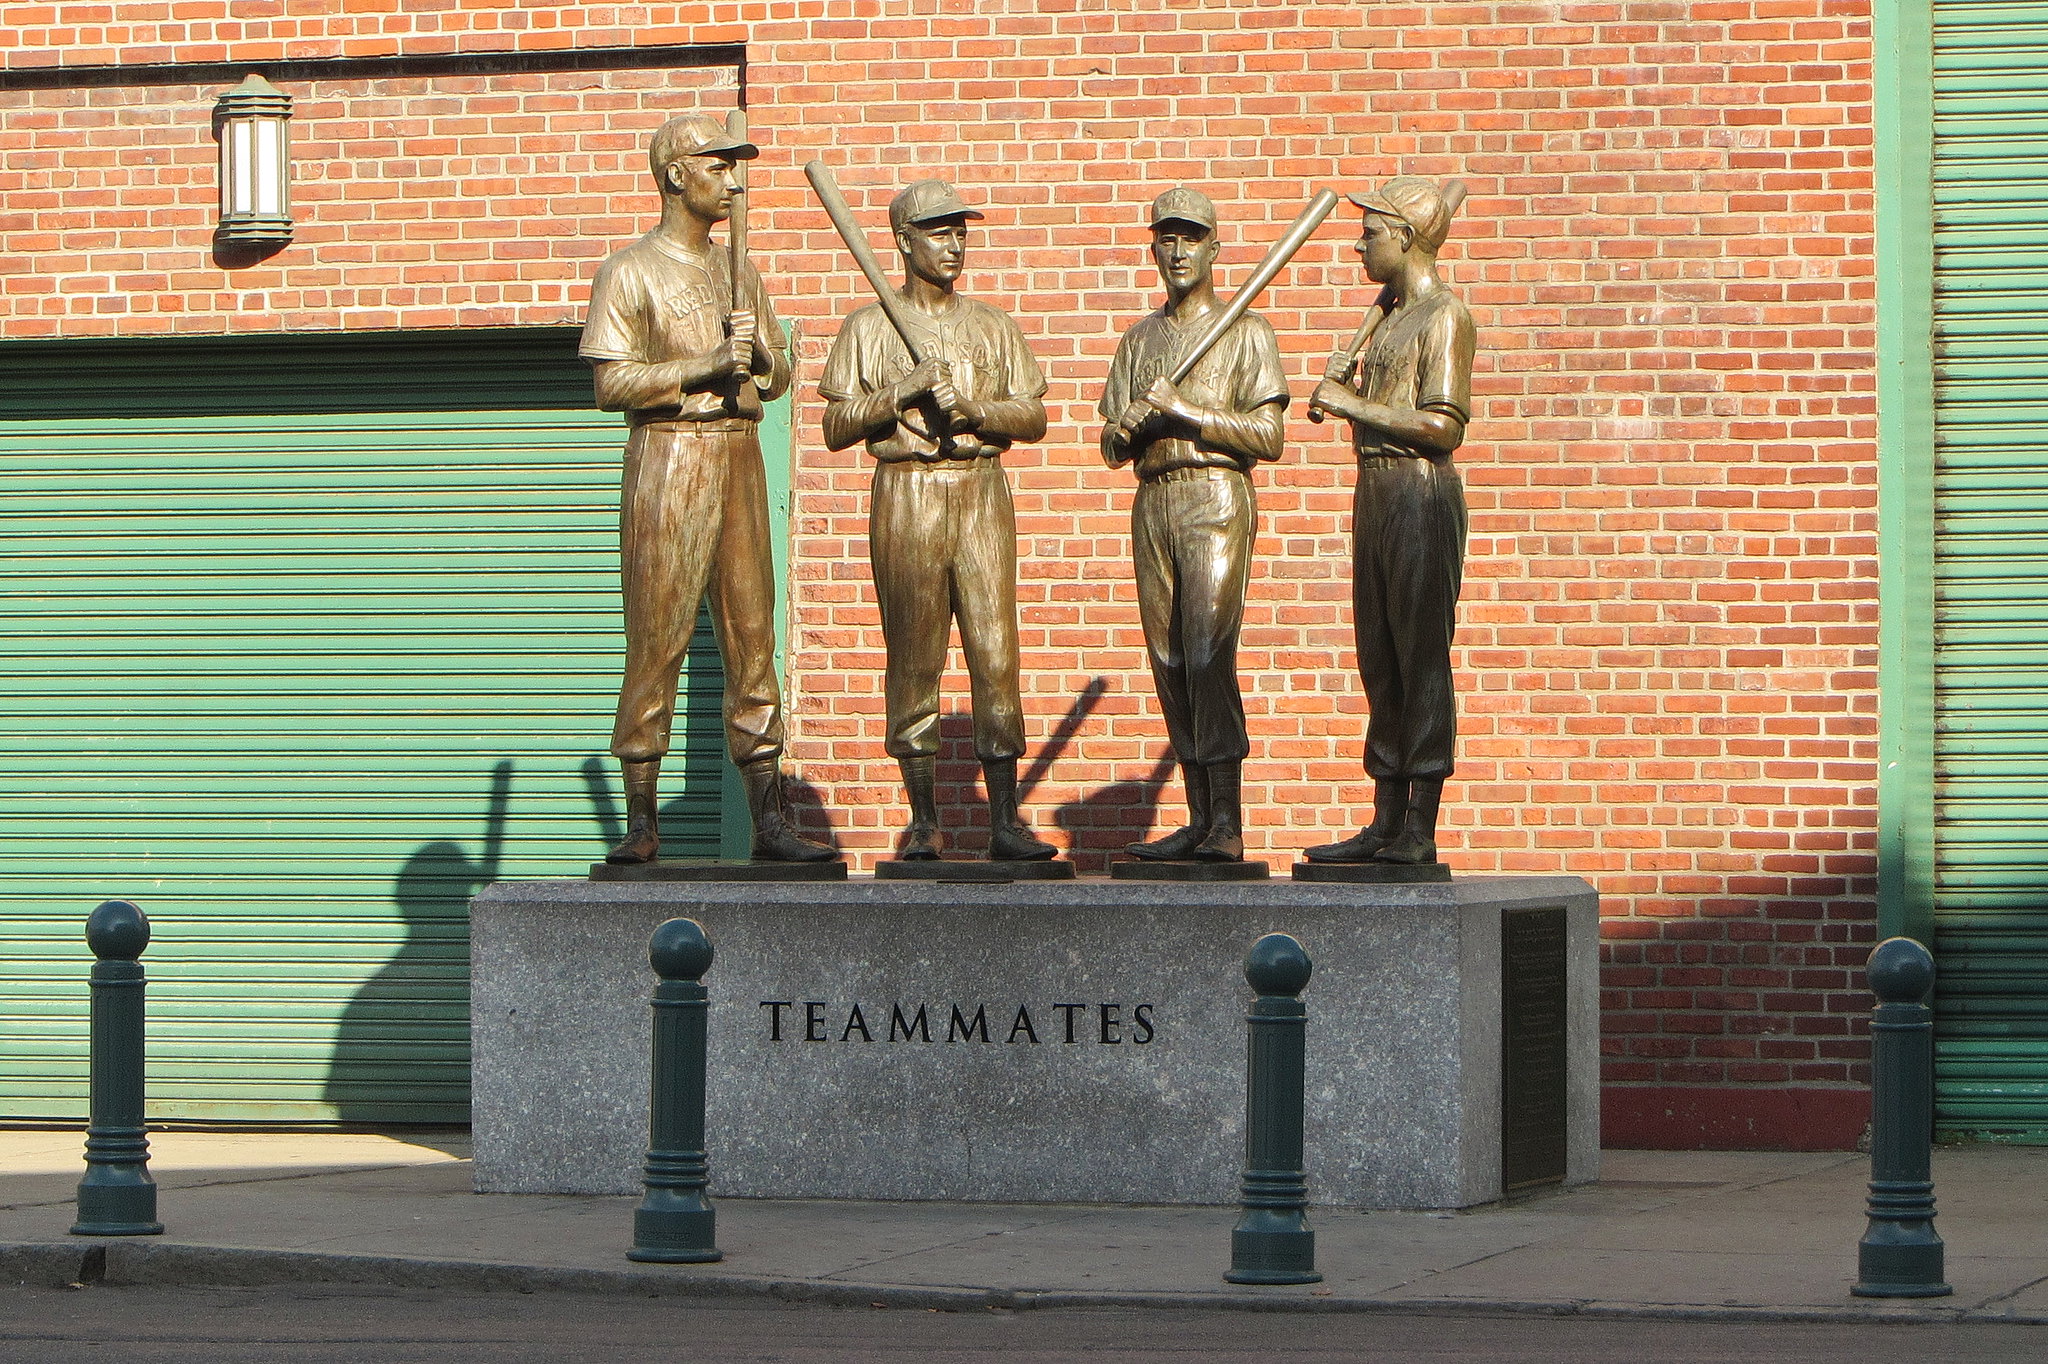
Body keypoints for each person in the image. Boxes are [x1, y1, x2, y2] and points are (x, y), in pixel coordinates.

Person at [579, 112, 835, 865]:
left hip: (738, 456)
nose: (734, 180)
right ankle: (641, 822)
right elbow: (611, 383)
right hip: (669, 457)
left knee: (754, 640)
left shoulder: (739, 270)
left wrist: (760, 352)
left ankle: (770, 820)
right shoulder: (629, 271)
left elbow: (782, 375)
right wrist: (704, 364)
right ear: (674, 176)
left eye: (736, 168)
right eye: (718, 166)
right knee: (657, 640)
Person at [819, 179, 1058, 862]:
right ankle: (922, 818)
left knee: (995, 653)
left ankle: (1005, 817)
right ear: (902, 240)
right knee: (914, 657)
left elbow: (1033, 416)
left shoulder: (992, 326)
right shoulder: (869, 327)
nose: (954, 244)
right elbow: (836, 423)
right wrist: (902, 392)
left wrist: (978, 409)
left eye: (960, 231)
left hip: (981, 490)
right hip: (907, 493)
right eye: (937, 231)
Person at [1100, 188, 1287, 863]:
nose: (1177, 251)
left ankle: (1228, 821)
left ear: (1214, 247)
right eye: (1166, 238)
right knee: (1169, 659)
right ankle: (1197, 816)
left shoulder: (1245, 332)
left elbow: (1268, 436)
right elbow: (1109, 447)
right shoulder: (1139, 340)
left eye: (1190, 238)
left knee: (1209, 653)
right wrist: (1123, 432)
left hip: (1215, 495)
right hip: (1154, 500)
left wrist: (1186, 413)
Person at [1302, 177, 1476, 867]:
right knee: (1379, 657)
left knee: (1419, 658)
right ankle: (1383, 816)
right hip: (1374, 492)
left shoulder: (1445, 316)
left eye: (1371, 231)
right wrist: (1355, 382)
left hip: (1419, 493)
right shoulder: (1393, 317)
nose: (1358, 243)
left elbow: (1442, 426)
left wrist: (1350, 403)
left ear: (1405, 236)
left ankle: (1420, 826)